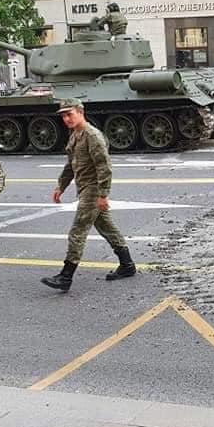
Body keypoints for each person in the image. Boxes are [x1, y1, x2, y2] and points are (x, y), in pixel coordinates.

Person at [42, 99, 136, 292]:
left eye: (70, 114)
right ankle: (127, 265)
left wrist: (103, 195)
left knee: (77, 231)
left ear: (80, 112)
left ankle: (66, 276)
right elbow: (71, 165)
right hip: (85, 188)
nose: (66, 118)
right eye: (63, 115)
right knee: (106, 227)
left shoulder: (92, 135)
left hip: (93, 190)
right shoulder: (75, 135)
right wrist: (61, 186)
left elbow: (104, 167)